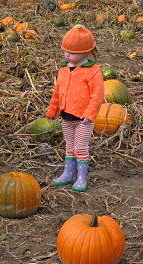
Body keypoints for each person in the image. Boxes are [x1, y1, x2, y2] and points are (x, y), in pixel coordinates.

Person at [46, 24, 104, 192]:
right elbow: (57, 92)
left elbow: (97, 95)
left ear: (85, 52)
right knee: (69, 146)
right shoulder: (64, 69)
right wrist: (53, 110)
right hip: (66, 115)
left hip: (83, 119)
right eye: (65, 52)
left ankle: (81, 177)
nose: (66, 55)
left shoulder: (93, 71)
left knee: (80, 147)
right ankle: (68, 173)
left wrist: (90, 114)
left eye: (71, 53)